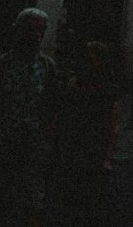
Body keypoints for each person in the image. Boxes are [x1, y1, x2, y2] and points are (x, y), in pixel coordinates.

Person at [0, 7, 59, 227]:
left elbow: (53, 104)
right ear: (19, 31)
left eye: (41, 31)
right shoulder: (2, 65)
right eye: (31, 30)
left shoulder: (47, 66)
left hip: (34, 145)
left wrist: (48, 138)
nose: (36, 37)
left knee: (33, 201)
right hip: (4, 142)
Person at [51, 40, 120, 226]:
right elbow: (61, 114)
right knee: (70, 199)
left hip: (92, 148)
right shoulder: (74, 85)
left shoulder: (106, 90)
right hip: (73, 146)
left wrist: (106, 158)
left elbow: (112, 125)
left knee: (91, 201)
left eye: (91, 59)